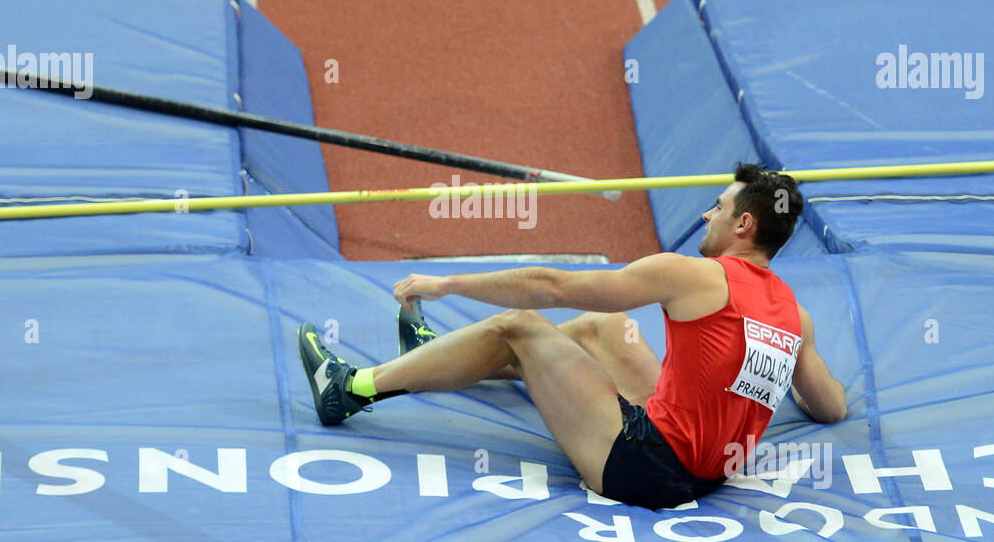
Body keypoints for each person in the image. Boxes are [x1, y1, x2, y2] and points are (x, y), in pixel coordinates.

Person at [297, 163, 847, 509]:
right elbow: (831, 407)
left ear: (744, 226)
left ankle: (350, 389)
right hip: (711, 473)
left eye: (719, 207)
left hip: (647, 465)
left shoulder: (693, 273)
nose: (708, 214)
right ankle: (439, 359)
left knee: (520, 327)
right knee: (604, 327)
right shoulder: (793, 316)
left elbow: (552, 285)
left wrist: (449, 282)